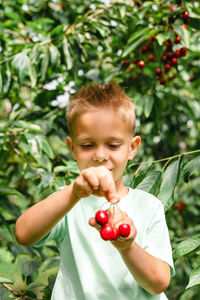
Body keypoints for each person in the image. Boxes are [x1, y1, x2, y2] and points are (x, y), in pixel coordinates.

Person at [15, 81, 175, 300]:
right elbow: (23, 234)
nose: (100, 155)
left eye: (113, 145)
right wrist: (74, 193)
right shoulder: (68, 201)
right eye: (87, 145)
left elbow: (158, 283)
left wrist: (127, 246)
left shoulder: (149, 206)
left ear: (133, 147)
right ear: (72, 148)